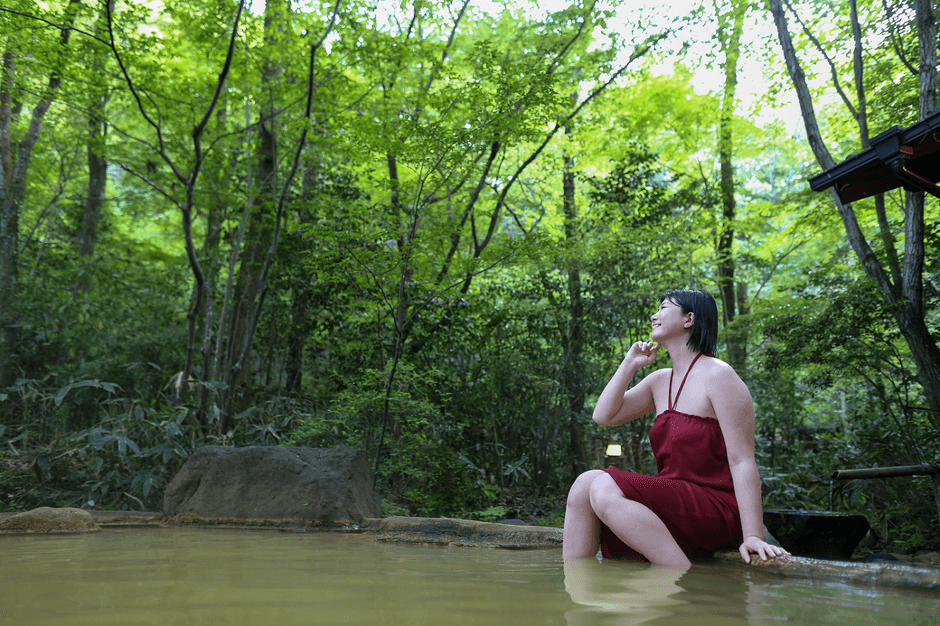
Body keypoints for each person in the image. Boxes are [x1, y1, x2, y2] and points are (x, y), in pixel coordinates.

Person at [562, 288, 789, 567]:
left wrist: (753, 534)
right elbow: (603, 415)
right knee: (584, 483)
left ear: (689, 319)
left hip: (715, 508)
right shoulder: (659, 381)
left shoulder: (719, 375)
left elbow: (742, 460)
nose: (654, 315)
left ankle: (678, 578)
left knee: (603, 487)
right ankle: (577, 588)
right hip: (675, 504)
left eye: (663, 308)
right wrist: (630, 363)